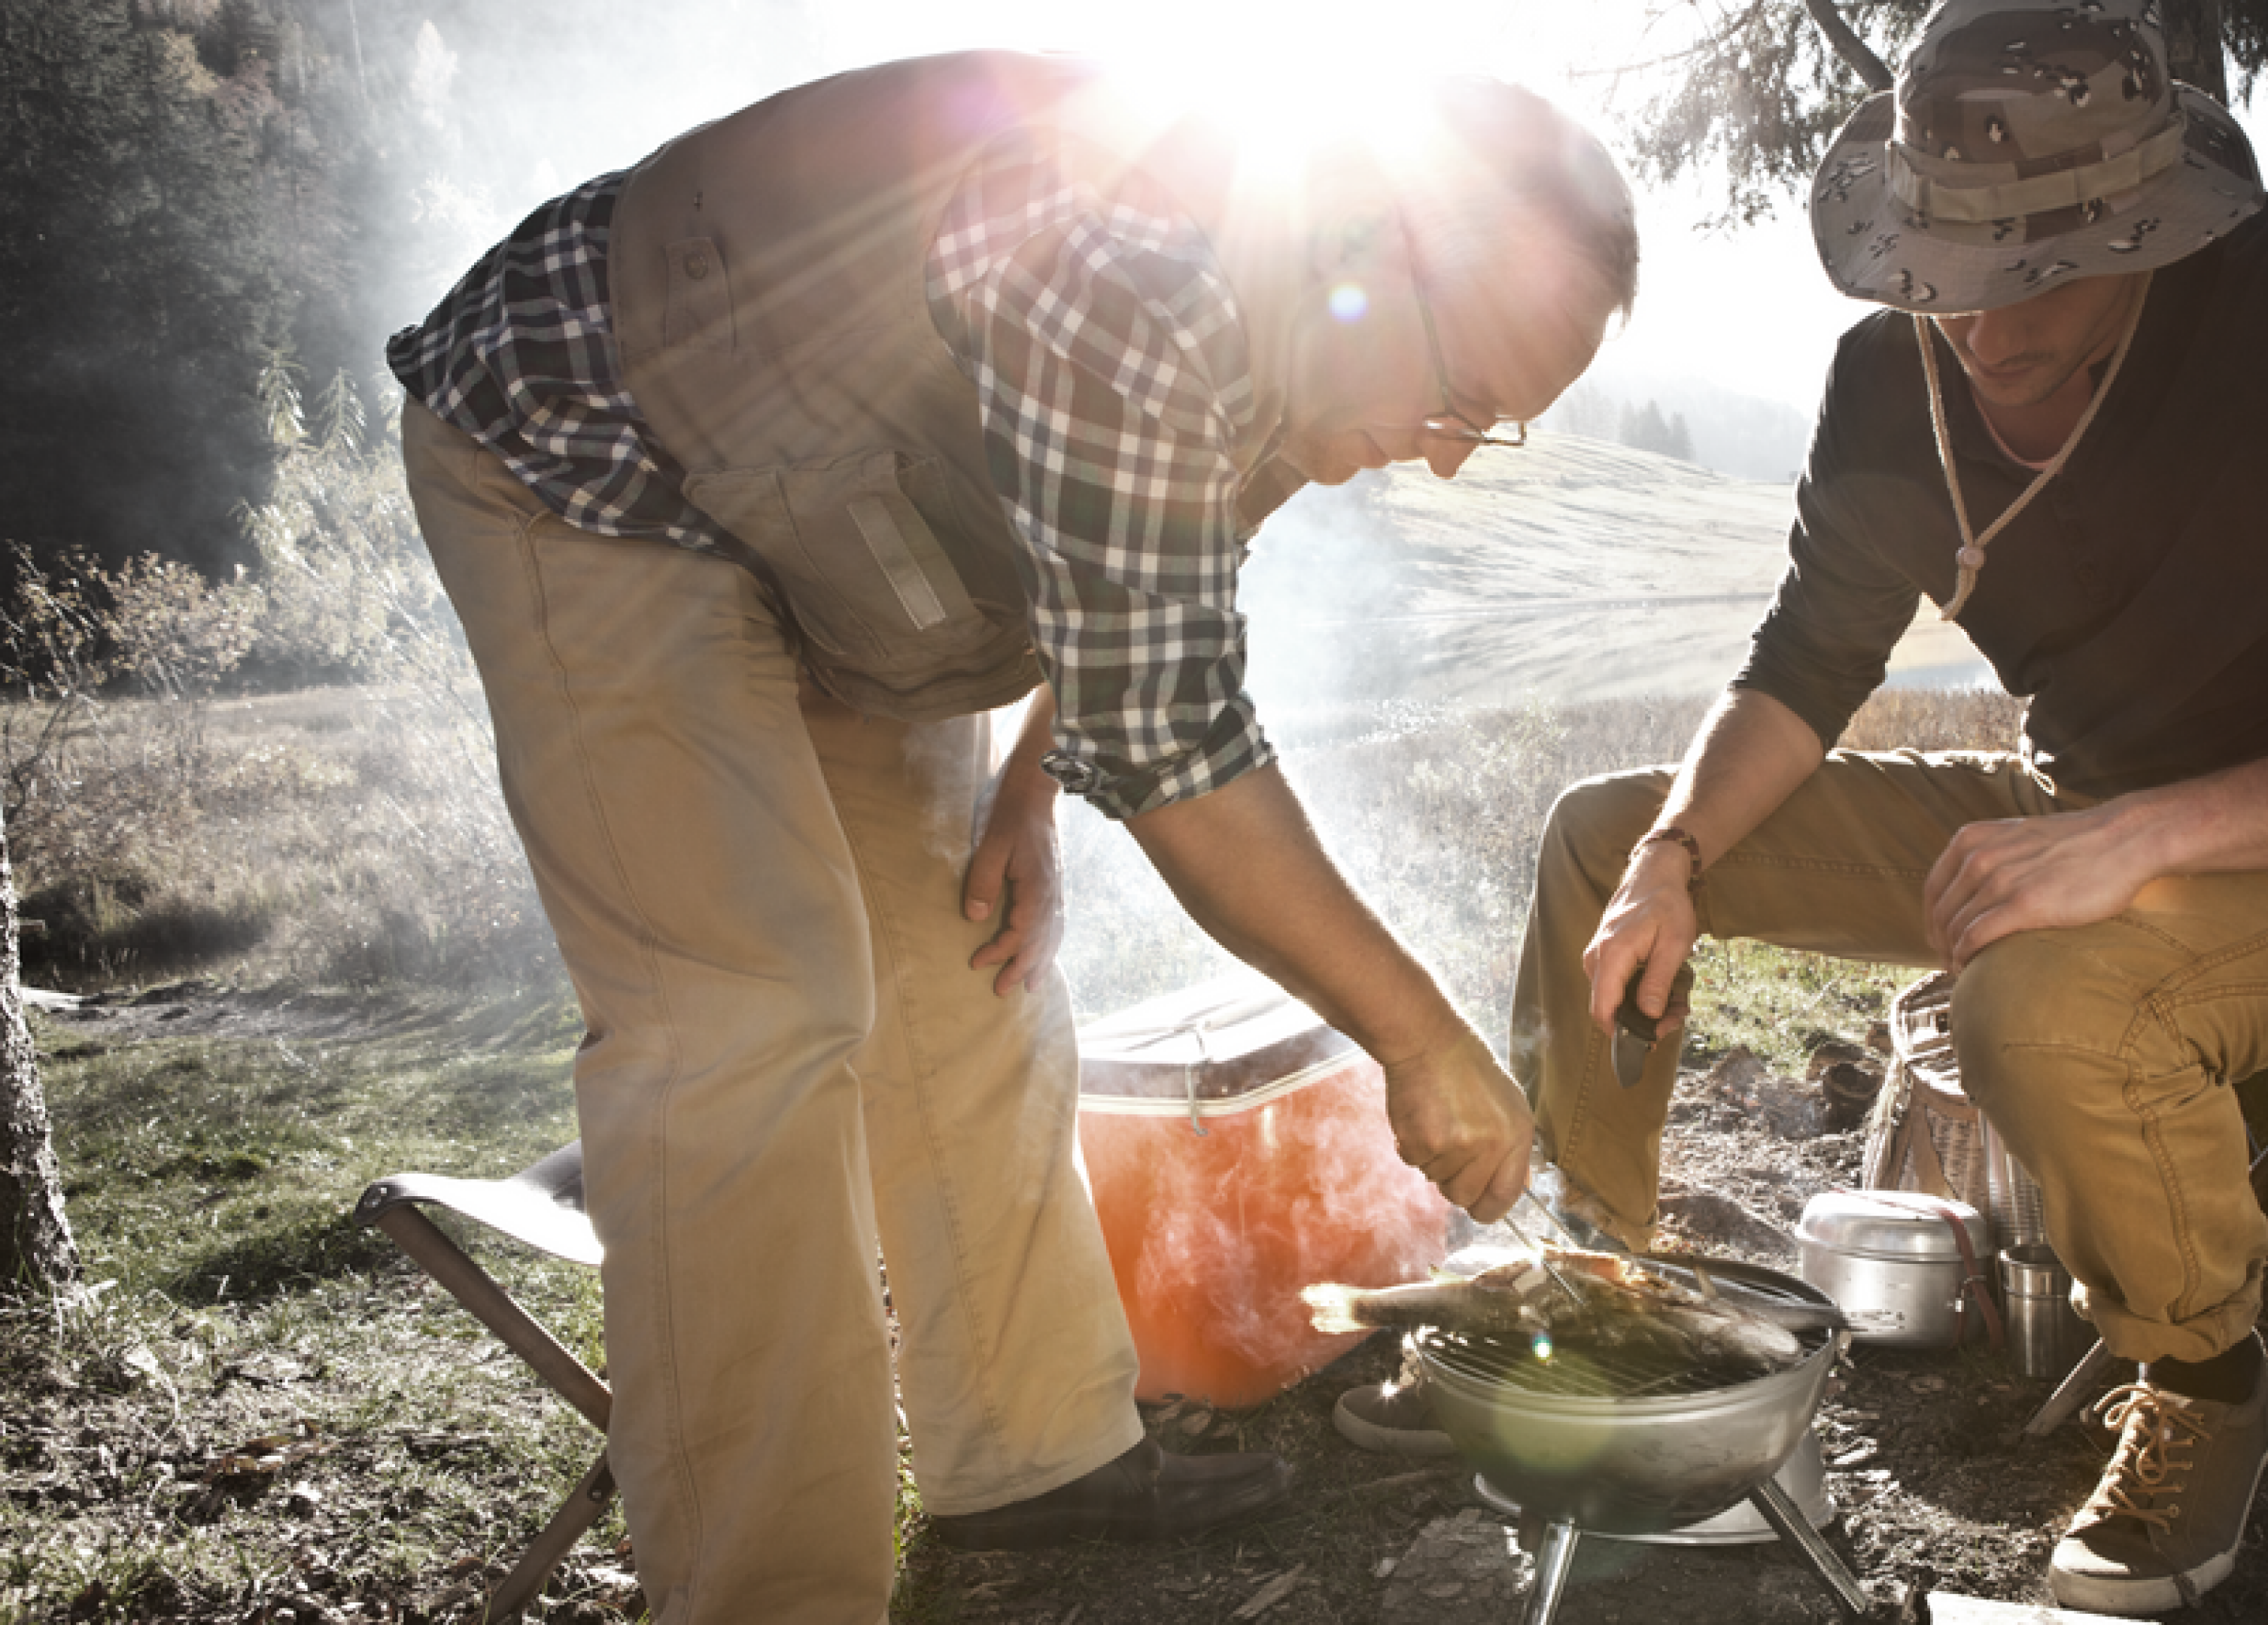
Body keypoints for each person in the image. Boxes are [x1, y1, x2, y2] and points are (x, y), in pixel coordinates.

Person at [389, 50, 1634, 1624]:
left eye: (1496, 429)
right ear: (1370, 248)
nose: (1448, 450)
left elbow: (1147, 603)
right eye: (1460, 397)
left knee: (969, 971)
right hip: (595, 447)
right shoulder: (1135, 263)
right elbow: (1179, 752)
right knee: (755, 1021)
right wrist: (1419, 1036)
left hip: (847, 547)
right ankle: (769, 1592)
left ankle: (1034, 1454)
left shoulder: (1290, 329)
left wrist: (1032, 785)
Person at [1497, 2, 2268, 1614]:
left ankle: (2207, 1396)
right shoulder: (1892, 380)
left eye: (2045, 274)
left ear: (2155, 229)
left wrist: (2144, 837)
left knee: (2048, 995)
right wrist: (1674, 855)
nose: (1986, 330)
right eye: (1946, 272)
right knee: (1610, 834)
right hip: (2074, 803)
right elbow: (1804, 665)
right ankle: (1598, 1295)